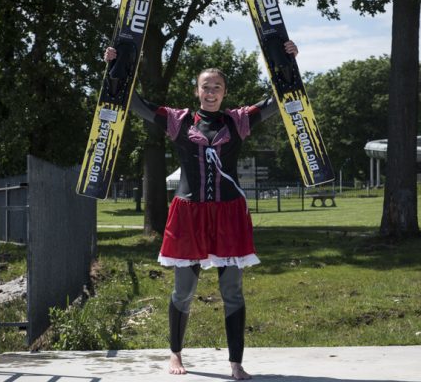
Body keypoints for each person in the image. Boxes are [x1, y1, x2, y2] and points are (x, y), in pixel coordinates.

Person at [104, 40, 298, 380]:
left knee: (232, 291)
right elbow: (130, 102)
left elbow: (281, 99)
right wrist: (114, 66)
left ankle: (236, 362)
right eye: (205, 87)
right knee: (183, 290)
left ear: (224, 92)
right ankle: (175, 354)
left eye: (217, 88)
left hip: (228, 214)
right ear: (197, 91)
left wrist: (289, 60)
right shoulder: (177, 121)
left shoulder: (238, 121)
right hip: (189, 213)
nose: (211, 92)